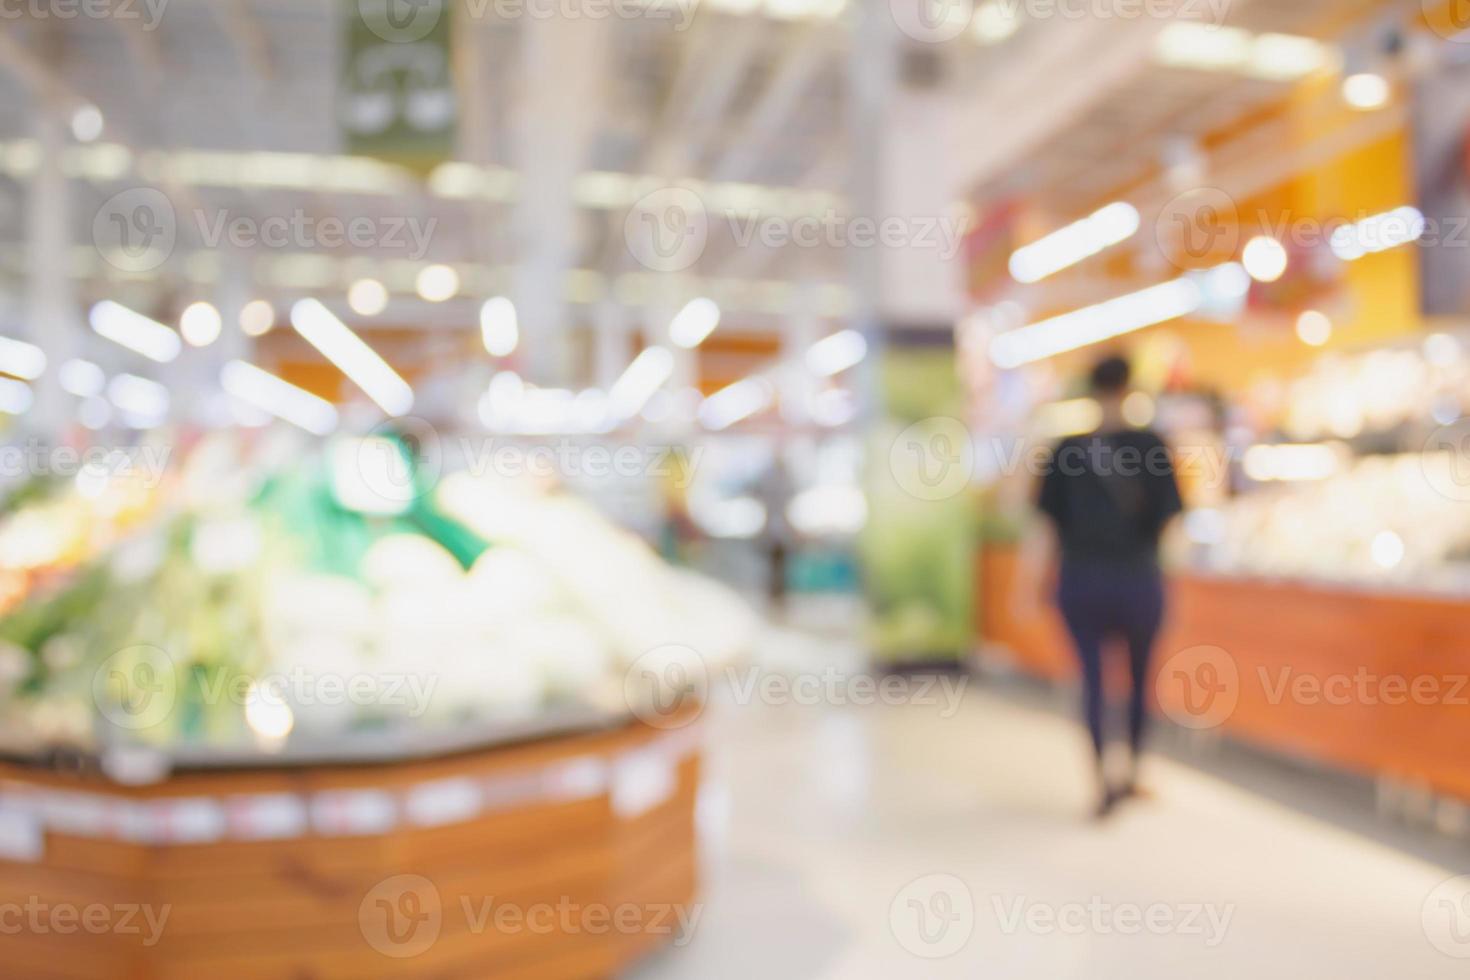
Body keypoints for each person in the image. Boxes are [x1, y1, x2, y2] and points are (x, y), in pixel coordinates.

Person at [1024, 355, 1183, 819]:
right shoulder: (1152, 445)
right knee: (1139, 678)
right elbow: (1171, 526)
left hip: (1081, 580)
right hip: (1137, 579)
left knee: (1092, 681)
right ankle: (1132, 771)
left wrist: (1031, 584)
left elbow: (1044, 529)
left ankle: (1100, 779)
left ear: (1089, 390)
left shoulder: (1067, 451)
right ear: (1130, 388)